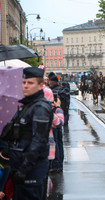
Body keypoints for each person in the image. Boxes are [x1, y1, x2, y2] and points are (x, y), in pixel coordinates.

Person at [7, 67, 53, 200]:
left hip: (30, 172)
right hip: (21, 168)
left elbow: (38, 143)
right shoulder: (28, 105)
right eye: (24, 82)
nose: (26, 86)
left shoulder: (40, 107)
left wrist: (23, 170)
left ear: (41, 86)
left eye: (30, 83)